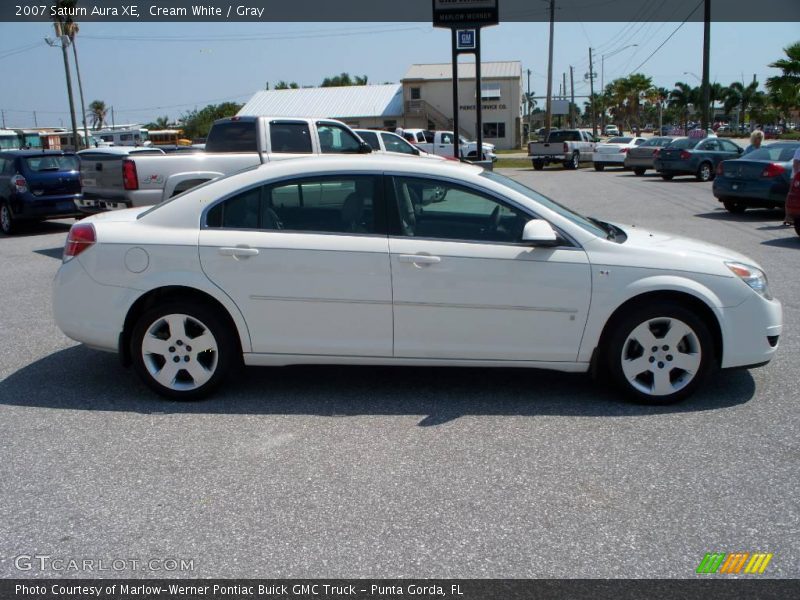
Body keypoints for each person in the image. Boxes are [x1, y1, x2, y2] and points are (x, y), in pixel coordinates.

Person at [785, 145, 800, 226]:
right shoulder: (799, 150)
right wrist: (797, 177)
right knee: (792, 195)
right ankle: (788, 217)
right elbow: (796, 164)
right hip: (797, 177)